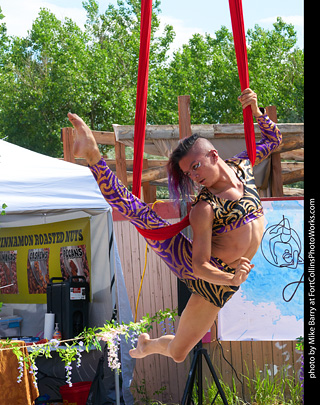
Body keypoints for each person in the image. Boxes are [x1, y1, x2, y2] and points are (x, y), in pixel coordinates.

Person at [67, 88, 282, 363]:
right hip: (207, 276)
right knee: (137, 212)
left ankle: (148, 345)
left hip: (227, 280)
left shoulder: (242, 165)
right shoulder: (204, 208)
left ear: (214, 155)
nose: (193, 176)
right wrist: (231, 279)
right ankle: (93, 154)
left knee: (179, 352)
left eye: (196, 166)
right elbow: (199, 266)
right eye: (187, 173)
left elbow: (273, 139)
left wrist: (256, 111)